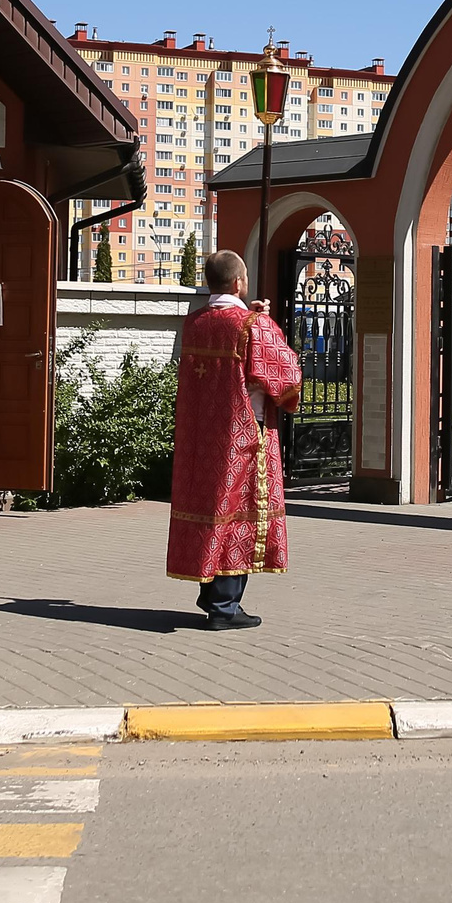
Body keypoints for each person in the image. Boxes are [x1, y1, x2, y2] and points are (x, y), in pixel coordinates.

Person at [165, 250, 301, 630]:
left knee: (212, 510)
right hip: (244, 437)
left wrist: (256, 317)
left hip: (201, 436)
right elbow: (285, 376)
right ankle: (224, 607)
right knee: (241, 514)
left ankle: (211, 594)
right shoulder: (251, 325)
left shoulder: (194, 323)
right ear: (239, 283)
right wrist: (263, 322)